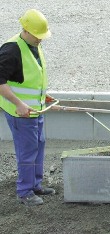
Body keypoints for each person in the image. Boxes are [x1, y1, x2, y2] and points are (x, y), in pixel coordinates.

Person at [0, 9, 56, 206]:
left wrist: (43, 96)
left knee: (38, 145)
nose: (40, 39)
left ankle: (35, 185)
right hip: (20, 112)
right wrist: (18, 104)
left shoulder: (32, 44)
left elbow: (29, 77)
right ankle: (24, 191)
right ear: (26, 29)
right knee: (27, 150)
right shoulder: (11, 49)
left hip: (35, 110)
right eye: (37, 36)